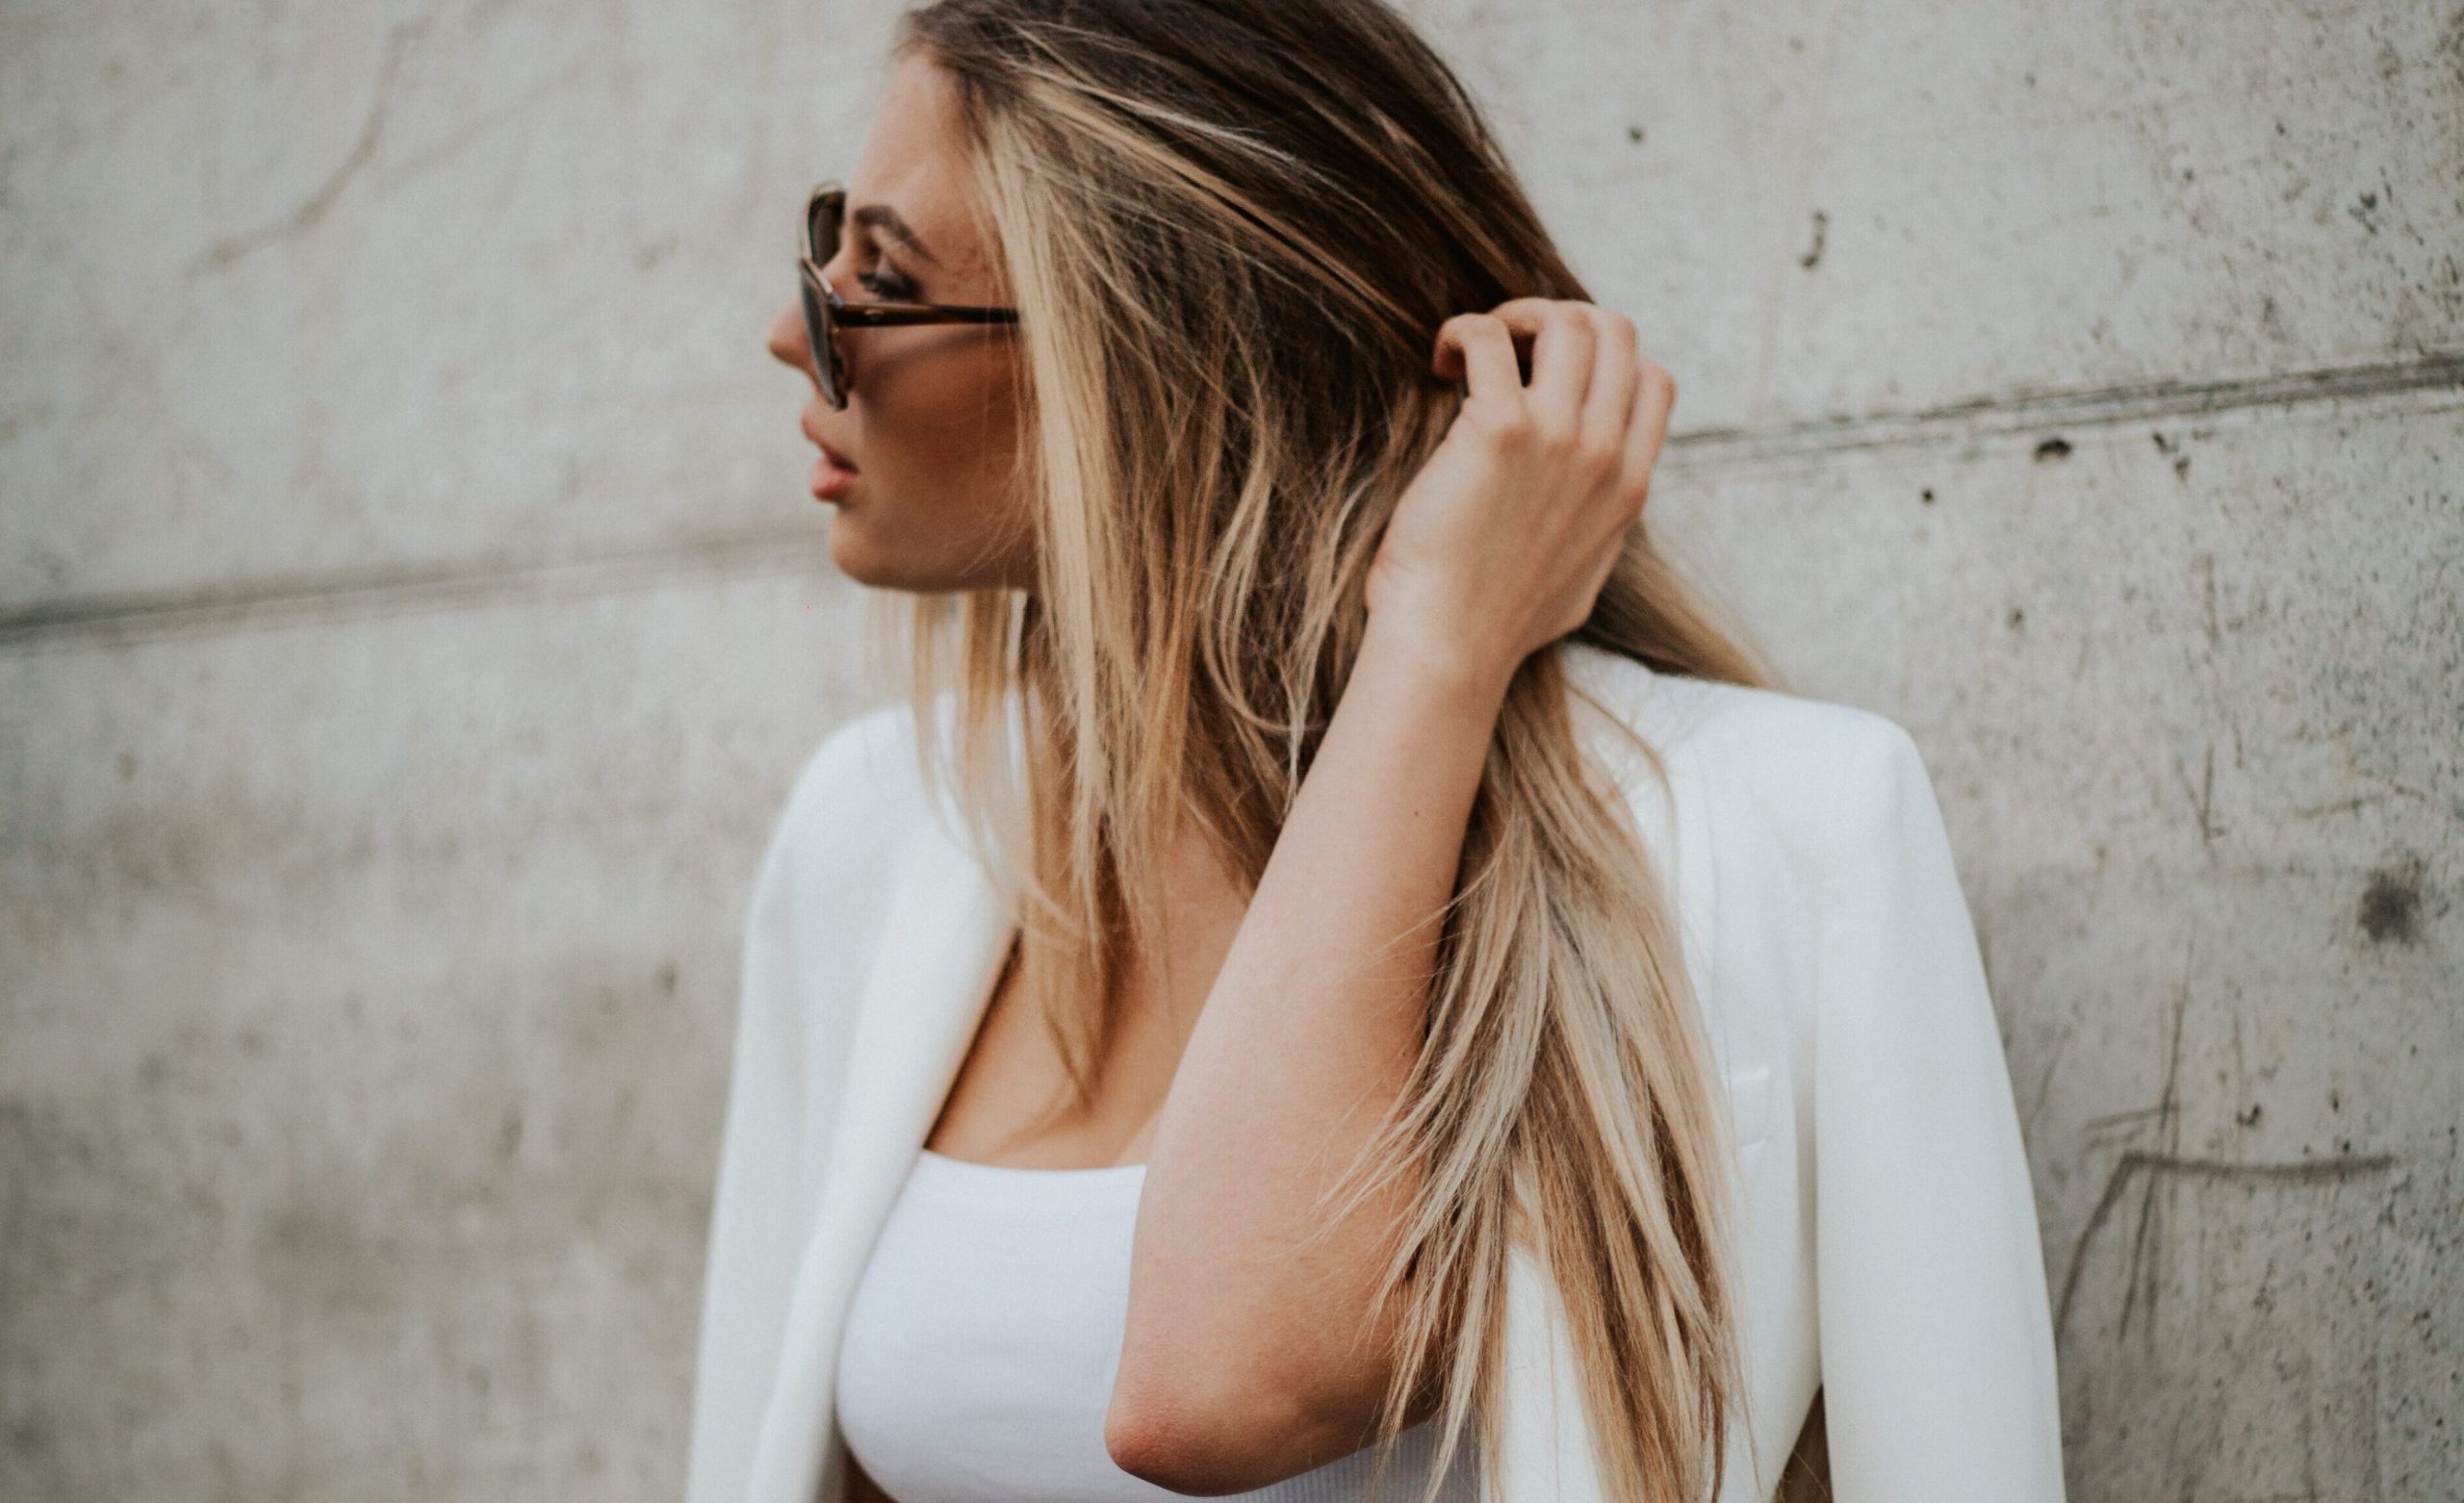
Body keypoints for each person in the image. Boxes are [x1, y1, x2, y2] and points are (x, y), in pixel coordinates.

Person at [688, 2, 2067, 1500]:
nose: (793, 332)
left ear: (1149, 359)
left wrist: (1436, 651)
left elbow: (1207, 1391)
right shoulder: (876, 838)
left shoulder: (1779, 832)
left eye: (877, 280)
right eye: (829, 246)